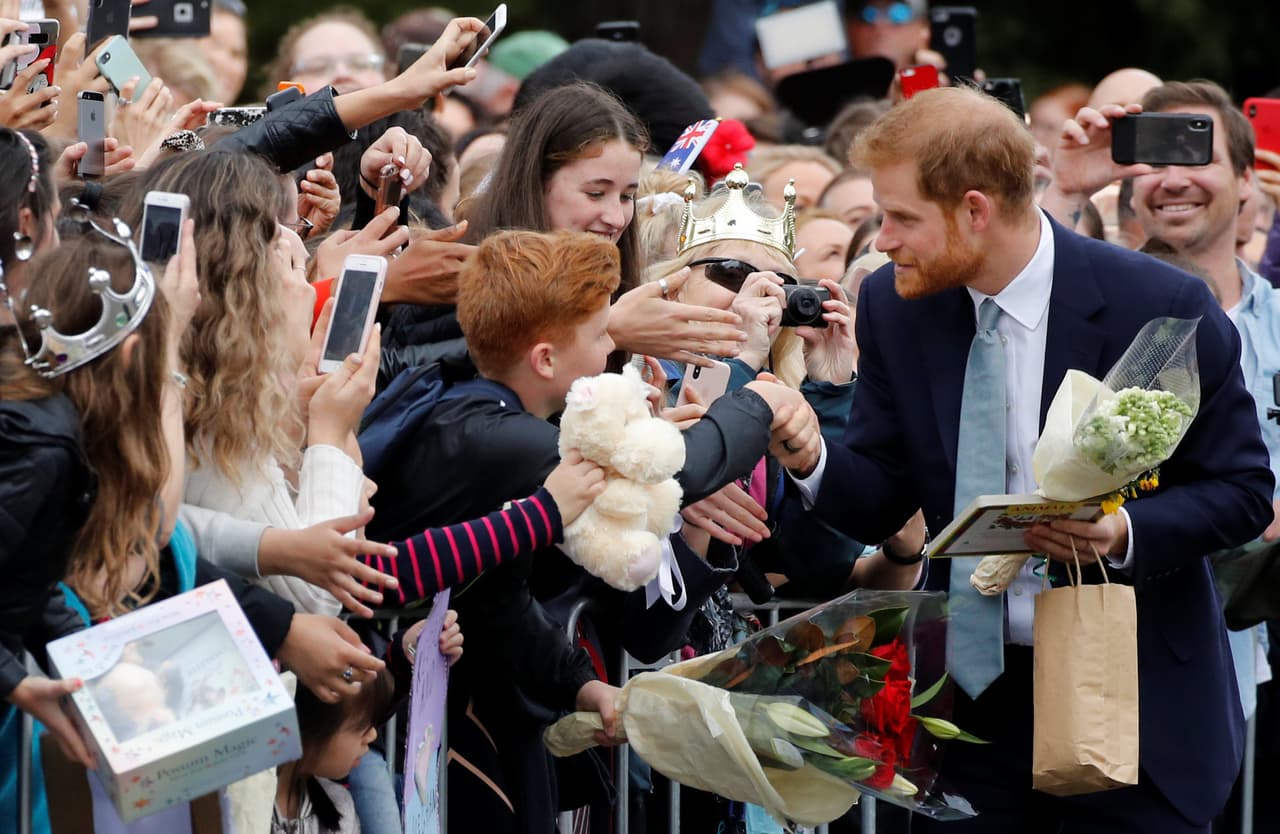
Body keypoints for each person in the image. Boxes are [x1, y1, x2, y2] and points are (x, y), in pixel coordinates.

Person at [775, 85, 1273, 834]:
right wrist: (808, 450)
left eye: (903, 218)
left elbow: (1240, 488)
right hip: (968, 712)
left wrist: (1122, 533)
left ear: (975, 210)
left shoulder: (1157, 302)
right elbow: (880, 496)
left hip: (1133, 703)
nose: (883, 240)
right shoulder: (892, 306)